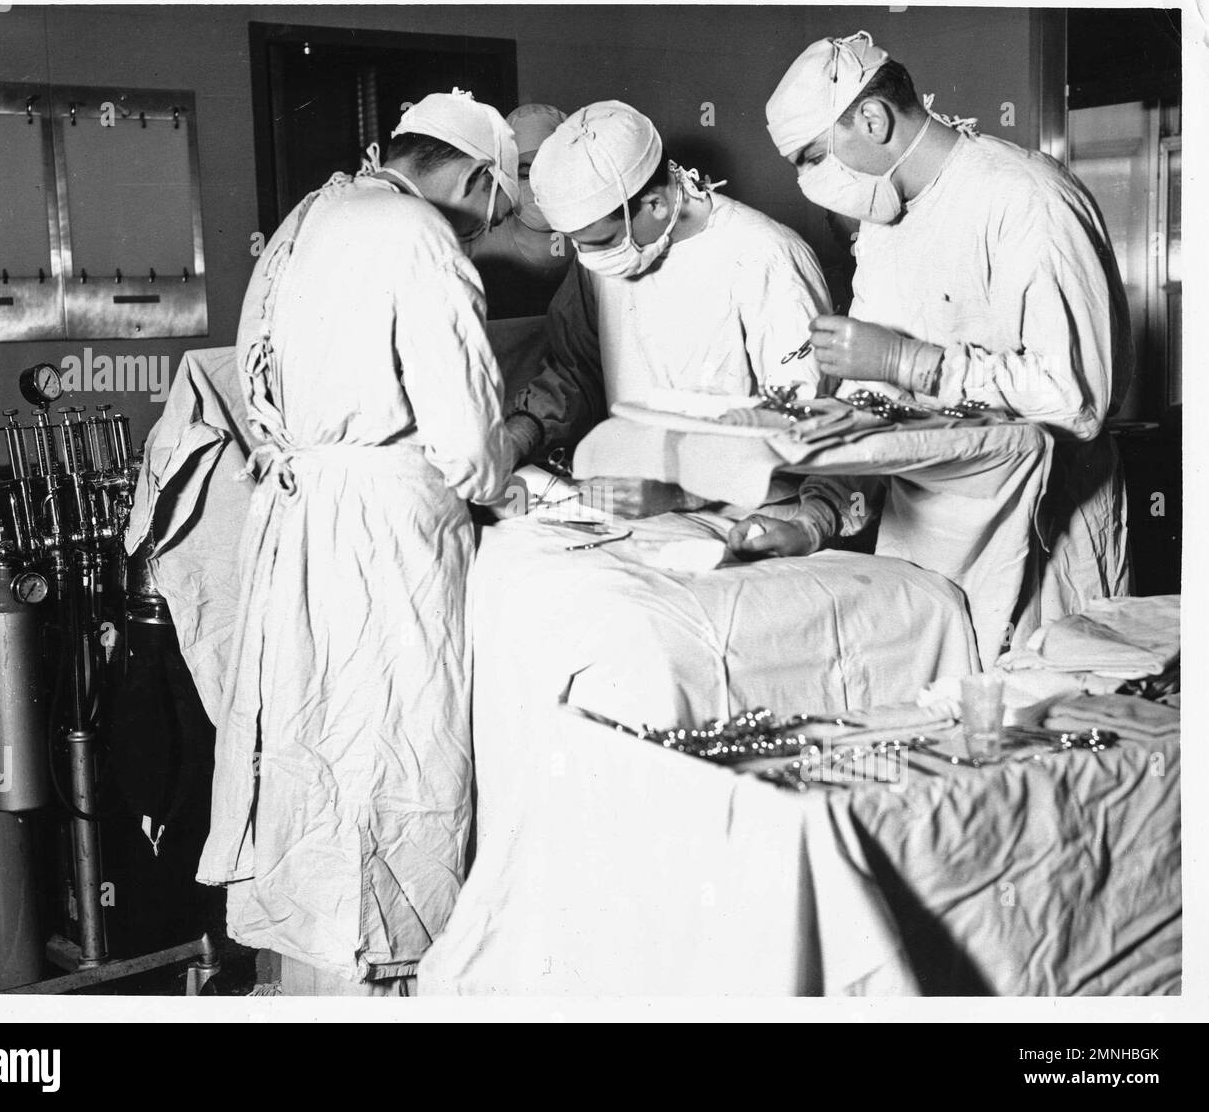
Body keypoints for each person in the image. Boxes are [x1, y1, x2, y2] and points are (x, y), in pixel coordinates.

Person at [197, 90, 518, 996]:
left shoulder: (315, 214)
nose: (494, 223)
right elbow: (465, 441)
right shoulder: (418, 238)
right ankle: (392, 978)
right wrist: (509, 478)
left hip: (302, 519)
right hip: (383, 538)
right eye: (500, 202)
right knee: (393, 762)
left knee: (317, 765)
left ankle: (319, 980)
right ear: (476, 176)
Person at [745, 31, 1132, 626]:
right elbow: (873, 406)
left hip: (1043, 537)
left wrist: (912, 362)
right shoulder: (884, 221)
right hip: (927, 542)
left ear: (872, 119)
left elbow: (1077, 400)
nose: (807, 182)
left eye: (812, 158)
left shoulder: (1024, 198)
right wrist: (811, 520)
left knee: (1042, 709)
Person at [501, 100, 833, 522]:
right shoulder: (604, 260)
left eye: (599, 241)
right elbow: (573, 372)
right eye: (575, 242)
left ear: (655, 203)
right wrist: (519, 434)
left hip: (753, 514)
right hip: (640, 508)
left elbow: (801, 422)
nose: (587, 257)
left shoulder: (765, 257)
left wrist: (681, 494)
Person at [469, 103, 575, 318]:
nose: (539, 186)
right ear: (505, 178)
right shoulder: (481, 249)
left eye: (550, 171)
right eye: (525, 175)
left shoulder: (595, 243)